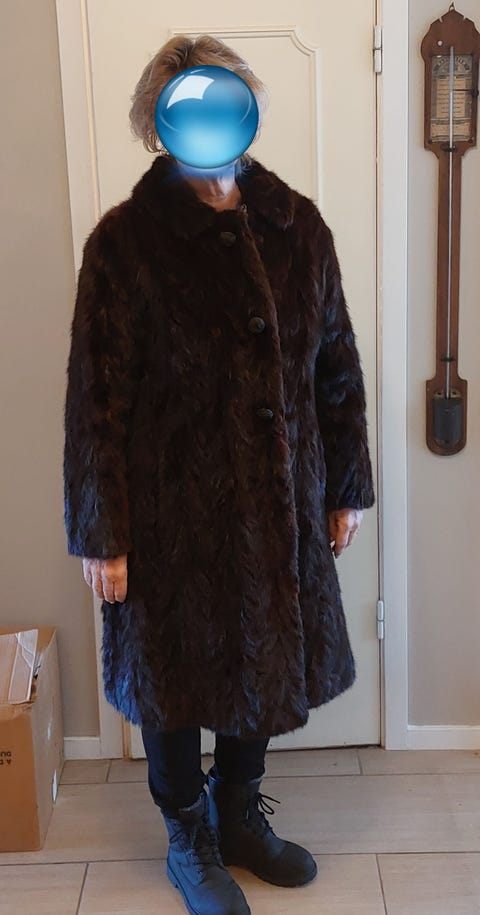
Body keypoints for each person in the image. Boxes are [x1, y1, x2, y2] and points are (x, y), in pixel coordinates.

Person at [63, 33, 375, 915]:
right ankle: (188, 833)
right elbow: (95, 400)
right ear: (158, 126)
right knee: (169, 674)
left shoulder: (297, 226)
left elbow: (336, 365)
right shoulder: (125, 244)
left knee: (264, 659)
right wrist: (103, 533)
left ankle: (239, 813)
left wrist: (346, 484)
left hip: (279, 503)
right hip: (167, 513)